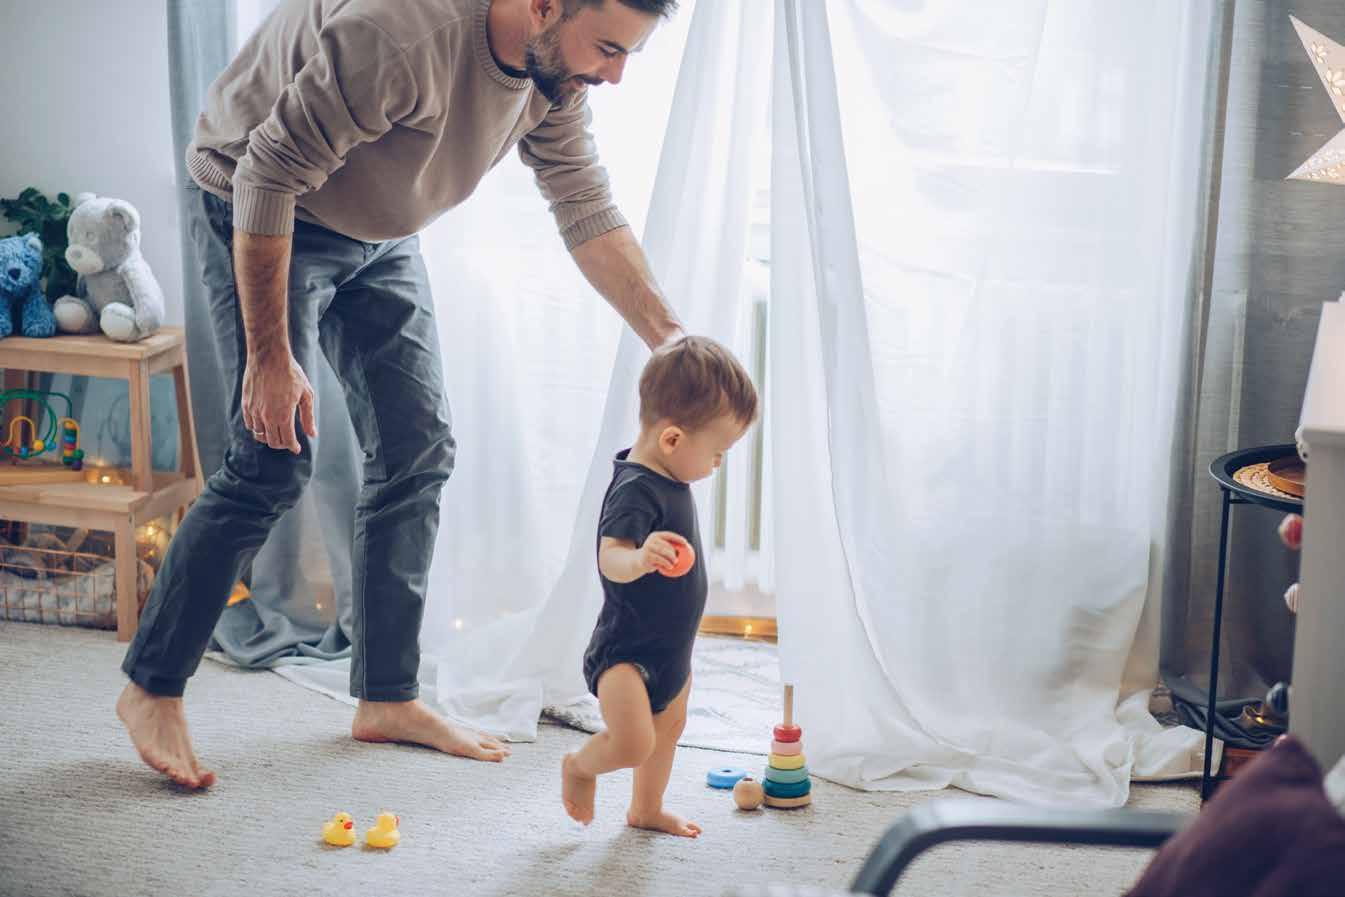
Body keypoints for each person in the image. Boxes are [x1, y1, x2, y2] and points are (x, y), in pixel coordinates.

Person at [116, 0, 683, 790]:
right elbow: (268, 170)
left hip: (374, 234)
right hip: (263, 203)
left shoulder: (554, 73)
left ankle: (387, 696)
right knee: (272, 456)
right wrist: (270, 358)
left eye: (627, 55)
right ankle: (151, 686)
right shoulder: (402, 33)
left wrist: (671, 338)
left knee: (417, 449)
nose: (614, 75)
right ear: (544, 6)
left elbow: (585, 206)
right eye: (608, 49)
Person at [561, 336, 758, 837]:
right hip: (626, 653)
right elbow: (610, 558)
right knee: (634, 744)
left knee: (668, 731)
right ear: (671, 439)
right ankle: (580, 766)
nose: (718, 464)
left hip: (671, 649)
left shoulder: (670, 477)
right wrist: (640, 557)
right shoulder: (635, 488)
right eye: (717, 453)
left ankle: (645, 809)